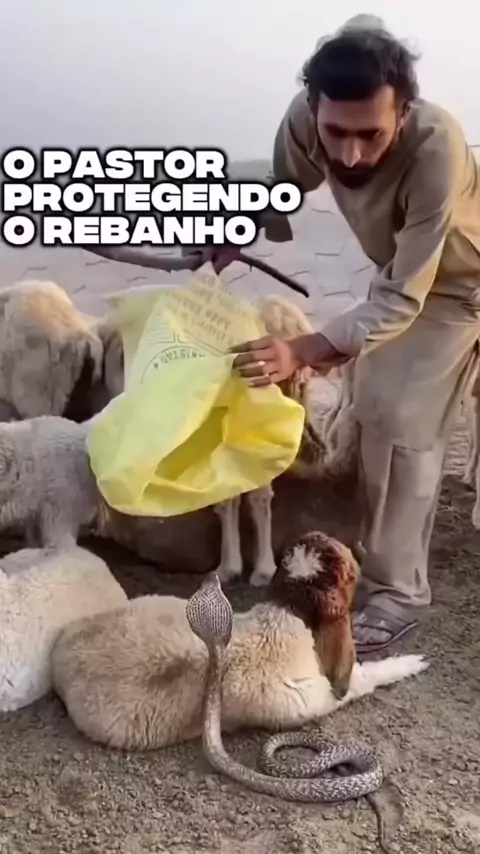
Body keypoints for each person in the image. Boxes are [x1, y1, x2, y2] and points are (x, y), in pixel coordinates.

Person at [187, 17, 480, 654]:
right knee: (373, 409)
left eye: (371, 135)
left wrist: (303, 349)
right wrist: (231, 227)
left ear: (404, 113)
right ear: (313, 107)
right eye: (335, 133)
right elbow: (285, 186)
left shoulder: (438, 148)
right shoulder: (306, 119)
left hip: (458, 285)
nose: (349, 155)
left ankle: (397, 592)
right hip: (404, 279)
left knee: (401, 421)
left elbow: (405, 295)